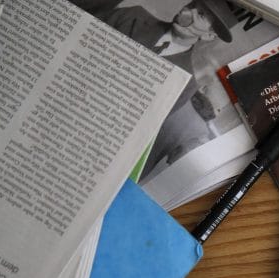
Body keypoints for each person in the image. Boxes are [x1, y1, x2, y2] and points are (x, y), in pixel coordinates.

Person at [71, 0, 239, 179]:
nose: (187, 11)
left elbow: (140, 127)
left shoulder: (185, 83)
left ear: (209, 35)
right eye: (192, 4)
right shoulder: (134, 16)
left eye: (201, 15)